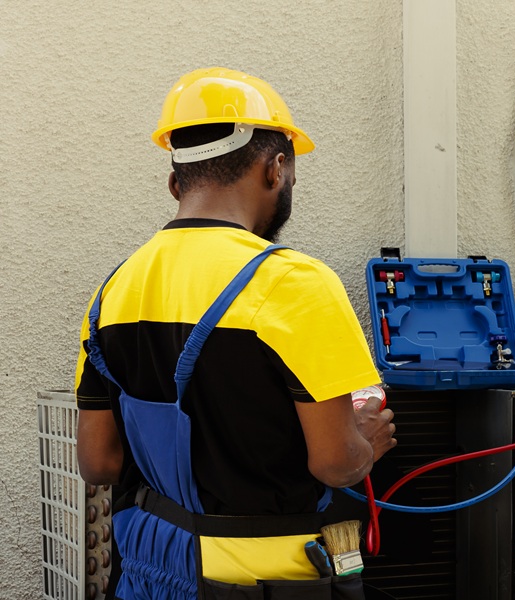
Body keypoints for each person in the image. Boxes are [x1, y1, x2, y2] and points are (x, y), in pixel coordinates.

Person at [75, 67, 396, 600]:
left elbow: (99, 463)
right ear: (276, 169)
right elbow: (337, 464)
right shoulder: (296, 284)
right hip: (260, 579)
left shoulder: (113, 291)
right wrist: (365, 442)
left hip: (148, 568)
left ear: (176, 182)